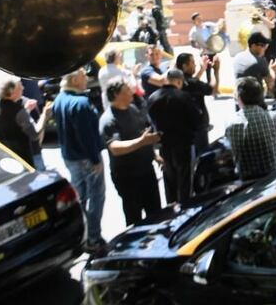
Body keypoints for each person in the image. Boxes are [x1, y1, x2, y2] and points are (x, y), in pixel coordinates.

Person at [52, 68, 107, 255]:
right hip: (86, 158)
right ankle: (93, 238)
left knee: (81, 197)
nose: (87, 79)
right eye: (83, 76)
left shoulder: (59, 100)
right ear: (75, 80)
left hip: (70, 157)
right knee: (95, 197)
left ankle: (81, 236)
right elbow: (86, 136)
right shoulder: (80, 103)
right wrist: (95, 159)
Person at [100, 78, 162, 225]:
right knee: (134, 218)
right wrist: (142, 141)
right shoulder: (109, 120)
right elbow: (115, 148)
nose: (131, 92)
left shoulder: (133, 109)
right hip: (128, 177)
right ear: (116, 94)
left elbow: (142, 133)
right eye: (127, 90)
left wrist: (154, 155)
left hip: (146, 171)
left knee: (156, 213)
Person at [146, 69, 206, 205]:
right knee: (185, 182)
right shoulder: (184, 97)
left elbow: (150, 123)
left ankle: (172, 208)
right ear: (179, 82)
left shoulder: (152, 98)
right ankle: (185, 208)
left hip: (164, 146)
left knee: (169, 182)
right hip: (184, 145)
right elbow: (197, 120)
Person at [225, 77, 276, 180]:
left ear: (239, 98)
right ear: (261, 96)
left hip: (247, 181)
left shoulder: (230, 124)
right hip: (275, 178)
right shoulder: (275, 118)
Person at [0, 77, 52, 170]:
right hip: (22, 159)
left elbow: (9, 121)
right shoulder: (19, 111)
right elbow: (35, 134)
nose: (23, 88)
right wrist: (45, 115)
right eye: (19, 87)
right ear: (11, 92)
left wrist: (26, 111)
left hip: (2, 156)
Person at [176, 52, 218, 155]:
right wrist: (215, 70)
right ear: (185, 66)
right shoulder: (191, 83)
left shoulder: (179, 80)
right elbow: (212, 89)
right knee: (202, 155)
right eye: (193, 63)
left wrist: (202, 69)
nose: (195, 65)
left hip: (185, 126)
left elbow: (193, 82)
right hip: (198, 127)